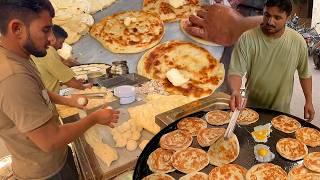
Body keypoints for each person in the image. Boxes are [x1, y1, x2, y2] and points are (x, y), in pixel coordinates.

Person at [0, 1, 119, 179]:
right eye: (45, 30)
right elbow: (50, 141)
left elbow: (37, 92)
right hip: (45, 172)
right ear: (17, 29)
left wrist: (67, 101)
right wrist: (94, 118)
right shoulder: (13, 77)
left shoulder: (19, 55)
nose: (51, 39)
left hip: (55, 158)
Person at [228, 0, 315, 121]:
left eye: (277, 17)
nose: (270, 21)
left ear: (288, 18)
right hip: (251, 110)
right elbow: (236, 71)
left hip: (281, 112)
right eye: (267, 15)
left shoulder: (298, 42)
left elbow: (304, 74)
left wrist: (309, 101)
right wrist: (235, 91)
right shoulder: (247, 38)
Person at [32, 24, 90, 94]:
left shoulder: (34, 49)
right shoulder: (47, 52)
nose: (61, 46)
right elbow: (68, 80)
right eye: (60, 42)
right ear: (52, 38)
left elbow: (46, 78)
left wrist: (65, 83)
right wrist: (86, 88)